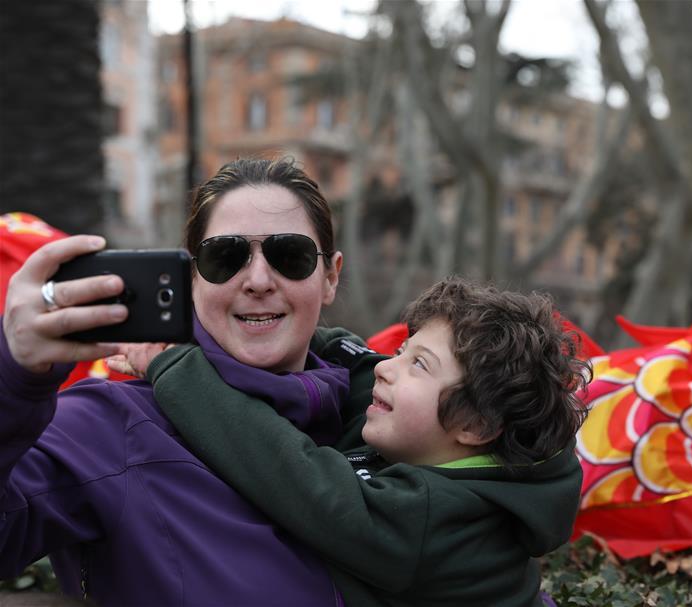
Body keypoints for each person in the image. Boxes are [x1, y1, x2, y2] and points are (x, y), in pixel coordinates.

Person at [0, 157, 375, 606]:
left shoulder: (384, 419)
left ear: (330, 277)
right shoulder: (110, 426)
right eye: (225, 257)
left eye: (290, 256)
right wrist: (13, 377)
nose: (258, 280)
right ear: (192, 279)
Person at [134, 277, 589, 606]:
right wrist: (263, 329)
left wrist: (178, 369)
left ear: (477, 426)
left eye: (420, 365)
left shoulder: (431, 521)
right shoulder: (441, 447)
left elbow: (296, 476)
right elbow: (358, 363)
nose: (387, 369)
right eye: (401, 352)